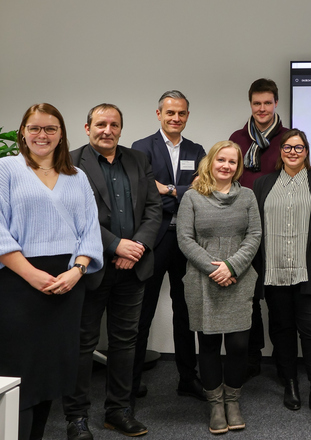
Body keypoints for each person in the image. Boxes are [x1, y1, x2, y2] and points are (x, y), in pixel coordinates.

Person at [0, 103, 103, 440]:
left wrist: (77, 270)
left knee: (50, 375)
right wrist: (30, 274)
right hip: (18, 282)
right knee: (20, 374)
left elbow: (90, 229)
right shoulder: (6, 169)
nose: (42, 135)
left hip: (67, 284)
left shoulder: (77, 176)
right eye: (35, 128)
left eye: (50, 129)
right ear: (23, 133)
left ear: (61, 135)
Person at [64, 103, 161, 439]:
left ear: (121, 128)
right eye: (101, 124)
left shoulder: (138, 160)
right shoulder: (71, 162)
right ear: (87, 126)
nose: (108, 130)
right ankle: (76, 417)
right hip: (90, 268)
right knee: (83, 343)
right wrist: (115, 245)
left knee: (124, 343)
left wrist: (136, 248)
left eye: (114, 124)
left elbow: (154, 208)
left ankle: (118, 411)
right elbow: (73, 216)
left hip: (133, 269)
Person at [253, 129, 311, 421]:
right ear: (280, 151)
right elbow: (255, 230)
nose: (293, 152)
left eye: (299, 147)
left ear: (307, 150)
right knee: (282, 331)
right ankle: (290, 384)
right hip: (274, 271)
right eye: (288, 147)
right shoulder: (263, 183)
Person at [177, 140, 261, 433]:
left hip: (239, 277)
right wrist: (215, 269)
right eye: (221, 160)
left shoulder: (248, 196)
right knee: (209, 343)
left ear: (238, 168)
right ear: (210, 162)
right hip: (203, 279)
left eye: (233, 162)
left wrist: (231, 266)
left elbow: (254, 235)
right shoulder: (192, 197)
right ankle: (215, 404)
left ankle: (233, 400)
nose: (226, 166)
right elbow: (185, 239)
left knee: (239, 344)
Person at [131, 90, 207, 402]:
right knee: (142, 312)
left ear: (187, 116)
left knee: (186, 311)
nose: (176, 118)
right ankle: (131, 384)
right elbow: (144, 189)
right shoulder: (141, 148)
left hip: (187, 240)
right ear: (159, 114)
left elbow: (204, 186)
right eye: (170, 113)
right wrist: (176, 192)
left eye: (182, 114)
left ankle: (187, 378)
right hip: (154, 239)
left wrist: (172, 190)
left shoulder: (197, 149)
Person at [229, 78, 289, 378]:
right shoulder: (238, 139)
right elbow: (228, 180)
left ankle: (282, 360)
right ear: (250, 105)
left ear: (276, 103)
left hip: (280, 231)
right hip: (245, 230)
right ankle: (251, 358)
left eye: (267, 103)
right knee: (248, 299)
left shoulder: (288, 138)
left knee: (279, 300)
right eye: (256, 103)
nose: (262, 109)